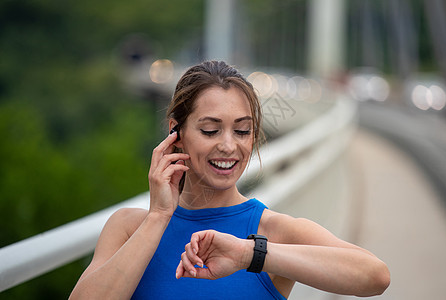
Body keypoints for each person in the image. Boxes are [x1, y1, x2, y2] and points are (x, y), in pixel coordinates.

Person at [69, 61, 390, 299]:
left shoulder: (272, 231)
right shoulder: (129, 227)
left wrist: (251, 254)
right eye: (210, 130)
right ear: (175, 133)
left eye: (242, 130)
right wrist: (157, 218)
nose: (228, 145)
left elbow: (374, 275)